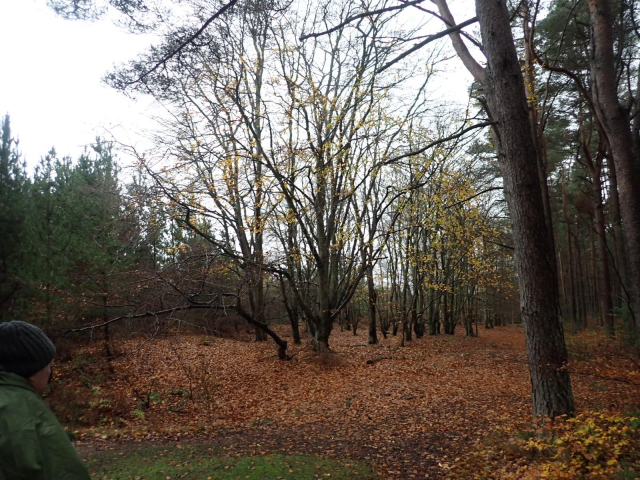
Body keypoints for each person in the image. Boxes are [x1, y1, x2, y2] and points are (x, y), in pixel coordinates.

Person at [0, 320, 91, 480]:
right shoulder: (28, 414)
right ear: (32, 372)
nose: (51, 373)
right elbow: (65, 472)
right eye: (49, 368)